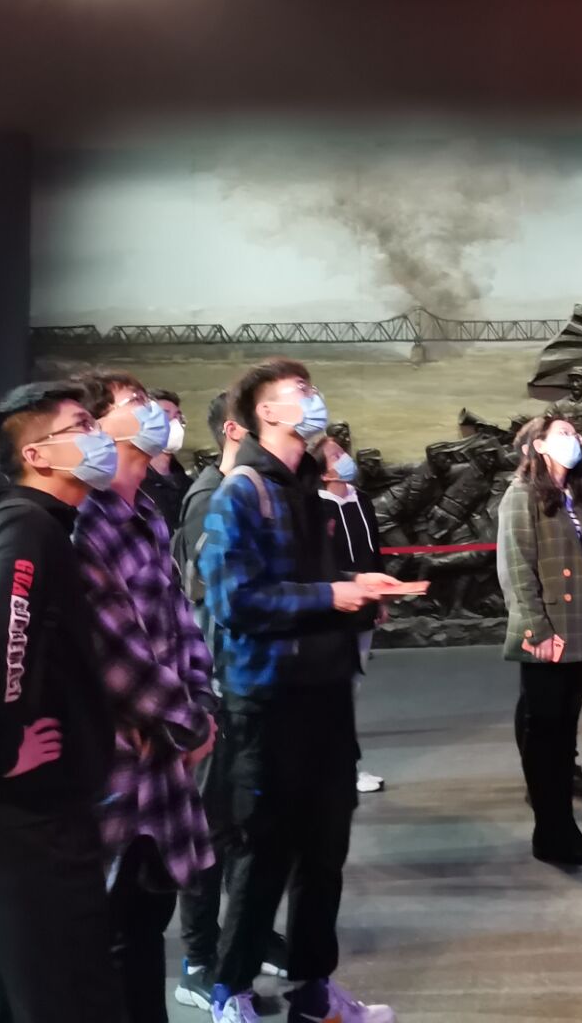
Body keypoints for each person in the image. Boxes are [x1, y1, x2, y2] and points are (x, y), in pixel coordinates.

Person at [197, 360, 398, 1023]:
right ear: (266, 414)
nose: (315, 400)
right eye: (300, 392)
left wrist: (361, 592)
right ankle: (231, 991)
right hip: (268, 701)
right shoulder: (241, 492)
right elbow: (234, 601)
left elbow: (316, 585)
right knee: (262, 855)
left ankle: (314, 991)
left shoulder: (310, 490)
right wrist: (333, 595)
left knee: (325, 853)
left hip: (326, 695)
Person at [0, 382, 122, 1023]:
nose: (99, 437)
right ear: (37, 455)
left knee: (9, 975)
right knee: (59, 983)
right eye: (82, 426)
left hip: (16, 802)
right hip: (19, 804)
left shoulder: (39, 524)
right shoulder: (26, 527)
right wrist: (4, 747)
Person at [71, 372, 217, 1023]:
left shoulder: (147, 515)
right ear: (98, 427)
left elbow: (181, 620)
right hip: (119, 757)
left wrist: (200, 704)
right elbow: (114, 648)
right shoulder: (84, 522)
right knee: (111, 925)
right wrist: (187, 721)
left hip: (164, 755)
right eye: (135, 404)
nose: (155, 412)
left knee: (147, 915)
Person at [175, 393, 286, 1011]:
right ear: (238, 428)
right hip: (217, 686)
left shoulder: (255, 490)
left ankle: (248, 932)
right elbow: (216, 596)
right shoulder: (211, 496)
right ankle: (198, 956)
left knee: (251, 823)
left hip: (249, 684)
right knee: (211, 828)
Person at [499, 413, 582, 866]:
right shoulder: (521, 494)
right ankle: (550, 832)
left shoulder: (576, 498)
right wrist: (537, 630)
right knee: (546, 733)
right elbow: (517, 568)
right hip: (549, 630)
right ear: (539, 446)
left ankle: (562, 826)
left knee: (564, 732)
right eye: (563, 433)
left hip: (578, 626)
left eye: (576, 433)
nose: (575, 439)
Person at [318, 435, 388, 795]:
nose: (344, 458)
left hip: (365, 608)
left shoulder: (362, 500)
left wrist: (381, 599)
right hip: (334, 609)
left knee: (353, 688)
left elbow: (374, 552)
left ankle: (346, 765)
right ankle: (338, 768)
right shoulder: (316, 506)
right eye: (335, 455)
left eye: (342, 451)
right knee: (335, 692)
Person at [142, 389, 192, 533]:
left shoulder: (187, 483)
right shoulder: (137, 487)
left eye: (178, 416)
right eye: (164, 415)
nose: (175, 422)